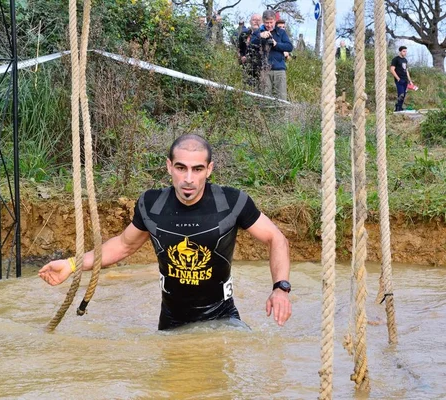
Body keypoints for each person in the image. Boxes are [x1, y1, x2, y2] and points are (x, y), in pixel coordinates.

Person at [39, 134, 292, 330]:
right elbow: (122, 245)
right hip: (171, 323)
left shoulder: (231, 202)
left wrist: (280, 288)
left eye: (197, 169)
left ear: (210, 169)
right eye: (181, 168)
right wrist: (72, 265)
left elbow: (276, 238)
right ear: (169, 166)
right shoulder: (152, 205)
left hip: (223, 319)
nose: (189, 179)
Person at [251, 10, 293, 100]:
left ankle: (281, 114)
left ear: (275, 21)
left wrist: (276, 44)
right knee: (264, 99)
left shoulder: (281, 32)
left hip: (279, 70)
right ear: (263, 21)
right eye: (266, 23)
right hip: (264, 70)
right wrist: (260, 36)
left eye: (271, 22)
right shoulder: (258, 32)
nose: (269, 25)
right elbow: (250, 45)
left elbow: (289, 47)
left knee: (281, 99)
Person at [238, 13, 263, 88]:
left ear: (261, 22)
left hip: (259, 67)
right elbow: (240, 48)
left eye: (258, 20)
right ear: (250, 21)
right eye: (254, 20)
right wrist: (241, 57)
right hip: (245, 66)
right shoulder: (244, 34)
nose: (256, 22)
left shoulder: (263, 34)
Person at [390, 46, 413, 112]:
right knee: (401, 94)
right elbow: (392, 70)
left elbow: (407, 71)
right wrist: (398, 78)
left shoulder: (405, 60)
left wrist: (410, 81)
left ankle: (400, 107)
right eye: (404, 51)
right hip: (399, 80)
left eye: (406, 51)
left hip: (405, 80)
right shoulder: (396, 59)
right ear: (400, 51)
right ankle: (397, 108)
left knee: (404, 94)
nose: (405, 52)